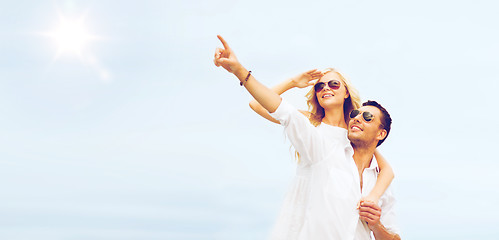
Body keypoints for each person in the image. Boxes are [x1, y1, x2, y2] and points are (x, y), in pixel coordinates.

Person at [214, 35, 400, 240]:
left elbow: (384, 168)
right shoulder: (310, 123)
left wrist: (372, 200)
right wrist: (293, 82)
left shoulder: (353, 133)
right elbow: (259, 105)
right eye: (319, 86)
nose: (326, 88)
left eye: (334, 84)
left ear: (346, 92)